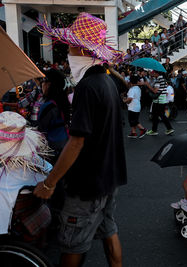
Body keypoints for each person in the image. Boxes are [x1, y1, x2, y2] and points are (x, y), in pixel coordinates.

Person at [35, 13, 127, 267]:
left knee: (72, 244)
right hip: (109, 178)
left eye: (70, 44)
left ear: (80, 47)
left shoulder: (88, 86)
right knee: (109, 232)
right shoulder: (107, 82)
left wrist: (50, 182)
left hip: (88, 183)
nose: (67, 49)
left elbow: (77, 142)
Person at [0, 111, 52, 235]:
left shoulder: (6, 177)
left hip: (11, 222)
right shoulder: (36, 162)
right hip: (31, 212)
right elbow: (49, 168)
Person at [38, 69, 70, 164]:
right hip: (66, 145)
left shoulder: (48, 106)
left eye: (43, 81)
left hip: (53, 150)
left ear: (49, 84)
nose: (41, 84)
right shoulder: (64, 101)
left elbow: (41, 130)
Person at [145, 71, 175, 136]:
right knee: (157, 115)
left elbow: (155, 91)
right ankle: (155, 130)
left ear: (157, 73)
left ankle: (168, 128)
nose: (151, 73)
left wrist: (148, 85)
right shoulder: (161, 79)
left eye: (153, 72)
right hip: (161, 100)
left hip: (158, 101)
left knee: (159, 115)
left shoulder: (159, 80)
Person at [124, 74, 147, 138]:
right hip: (137, 106)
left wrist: (124, 101)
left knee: (133, 120)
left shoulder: (132, 89)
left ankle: (143, 129)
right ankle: (133, 132)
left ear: (131, 82)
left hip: (133, 107)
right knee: (134, 119)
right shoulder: (138, 88)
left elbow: (130, 98)